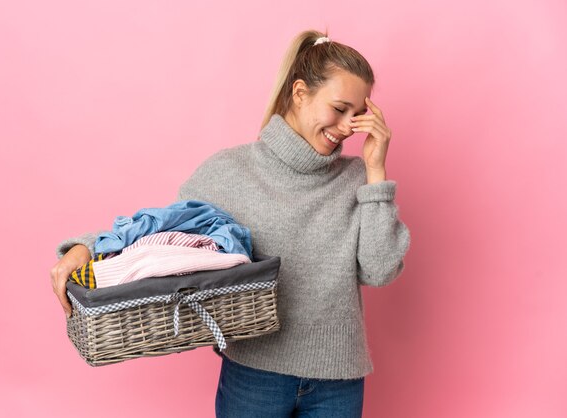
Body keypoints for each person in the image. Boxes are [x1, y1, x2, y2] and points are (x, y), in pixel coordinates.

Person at [50, 29, 410, 418]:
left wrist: (376, 171)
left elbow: (380, 269)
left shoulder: (359, 179)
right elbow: (159, 234)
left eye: (357, 116)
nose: (345, 127)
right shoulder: (231, 171)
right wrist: (87, 246)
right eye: (339, 109)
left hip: (339, 381)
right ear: (301, 92)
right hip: (254, 377)